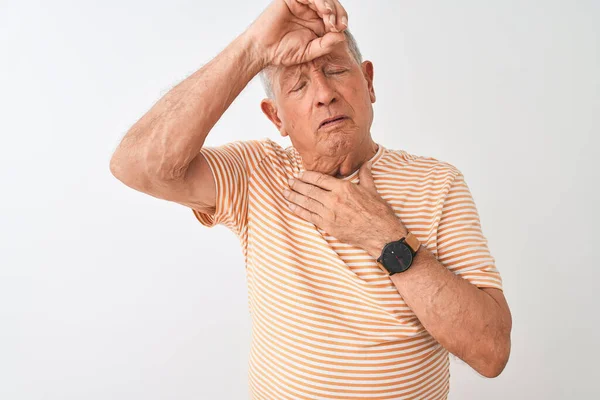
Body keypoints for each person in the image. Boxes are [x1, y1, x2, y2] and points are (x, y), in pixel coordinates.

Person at [110, 0, 512, 398]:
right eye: (298, 85)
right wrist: (254, 47)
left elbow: (490, 352)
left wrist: (386, 240)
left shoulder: (437, 183)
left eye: (336, 70)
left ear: (369, 82)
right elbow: (136, 165)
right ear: (276, 117)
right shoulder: (255, 174)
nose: (323, 94)